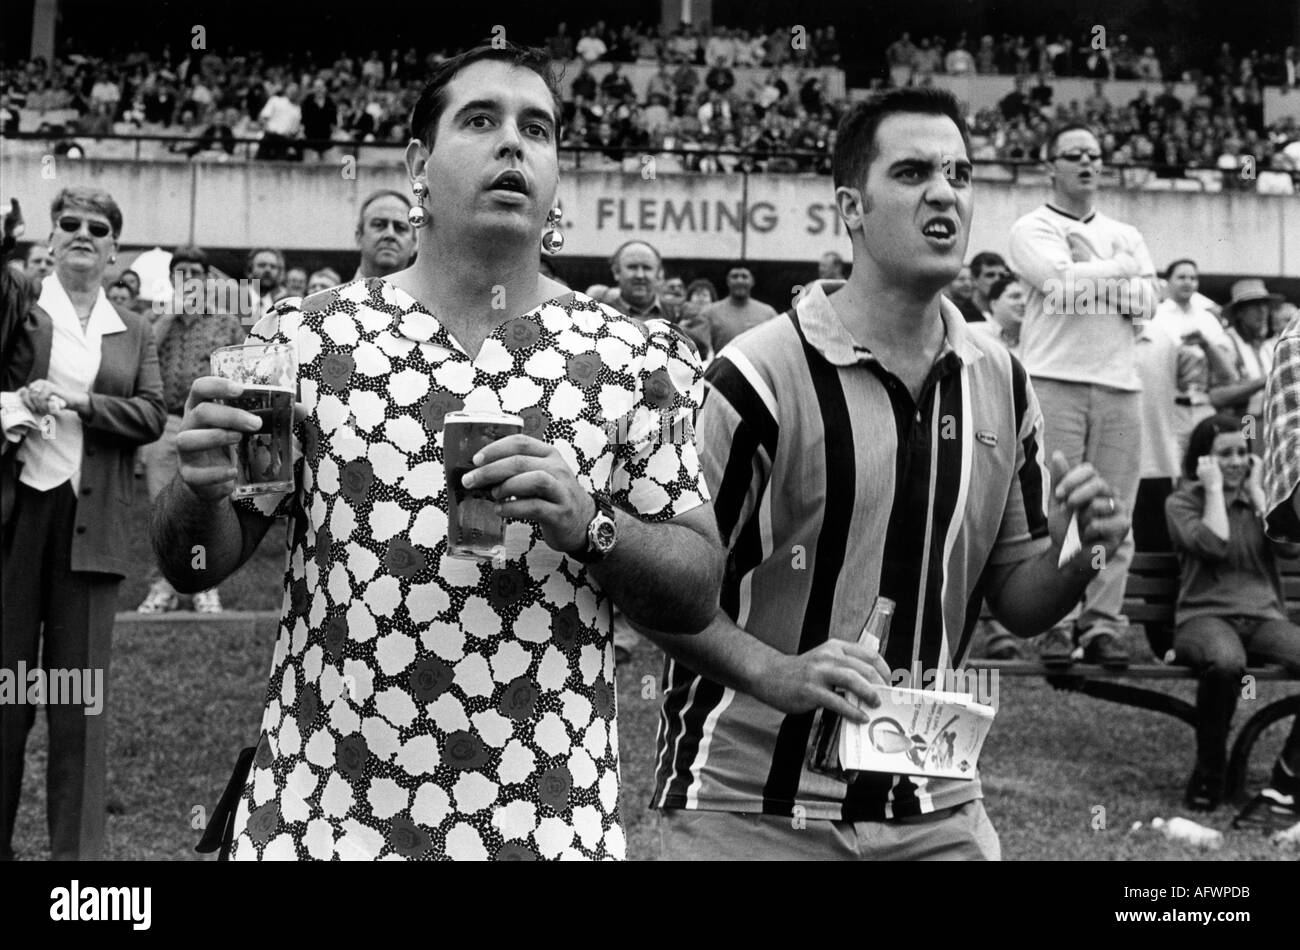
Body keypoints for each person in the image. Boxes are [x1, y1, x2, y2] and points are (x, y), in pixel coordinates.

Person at [148, 42, 723, 861]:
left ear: (559, 174)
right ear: (419, 163)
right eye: (480, 120)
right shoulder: (302, 339)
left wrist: (592, 522)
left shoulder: (644, 361)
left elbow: (697, 589)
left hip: (544, 822)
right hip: (321, 824)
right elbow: (197, 563)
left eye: (538, 129)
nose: (512, 144)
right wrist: (198, 491)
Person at [645, 87, 1127, 861]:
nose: (945, 192)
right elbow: (662, 589)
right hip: (748, 805)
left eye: (960, 174)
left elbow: (1019, 599)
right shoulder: (755, 376)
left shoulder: (1002, 379)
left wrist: (1076, 554)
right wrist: (775, 672)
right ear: (852, 207)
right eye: (911, 173)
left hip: (932, 794)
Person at [1, 187, 166, 860]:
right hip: (16, 518)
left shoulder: (133, 327)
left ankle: (76, 861)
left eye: (97, 227)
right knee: (6, 693)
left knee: (80, 703)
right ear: (50, 236)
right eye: (68, 222)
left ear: (113, 248)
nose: (81, 233)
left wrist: (82, 402)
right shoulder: (17, 308)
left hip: (91, 522)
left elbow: (154, 414)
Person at [1009, 123, 1159, 667]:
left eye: (1094, 154)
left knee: (1115, 510)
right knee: (1062, 509)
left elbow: (1149, 304)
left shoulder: (1125, 229)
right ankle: (1059, 622)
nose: (1087, 162)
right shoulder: (1032, 227)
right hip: (1054, 379)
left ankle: (1102, 624)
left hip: (1121, 384)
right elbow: (1059, 287)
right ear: (1051, 165)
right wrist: (1120, 273)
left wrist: (1089, 272)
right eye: (1074, 154)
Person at [1166, 415, 1300, 814]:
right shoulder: (1182, 501)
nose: (1237, 461)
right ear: (1203, 460)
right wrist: (1211, 491)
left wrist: (1262, 497)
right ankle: (1210, 771)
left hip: (1263, 619)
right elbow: (1213, 544)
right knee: (1226, 664)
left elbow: (1291, 549)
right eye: (1225, 453)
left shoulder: (1258, 499)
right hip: (1203, 619)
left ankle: (1286, 778)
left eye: (1243, 452)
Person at [136, 244, 244, 615]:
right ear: (171, 278)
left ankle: (205, 584)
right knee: (162, 510)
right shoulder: (153, 319)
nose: (189, 279)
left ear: (205, 277)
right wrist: (171, 315)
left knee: (207, 508)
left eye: (195, 272)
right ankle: (164, 586)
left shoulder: (225, 320)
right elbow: (142, 353)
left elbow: (238, 370)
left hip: (209, 422)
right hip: (164, 424)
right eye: (181, 272)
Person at [1220, 279, 1283, 425]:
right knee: (1250, 443)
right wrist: (1264, 381)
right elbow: (1217, 396)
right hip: (1242, 422)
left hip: (1268, 422)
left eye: (1264, 305)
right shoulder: (1226, 343)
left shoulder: (1269, 345)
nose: (1262, 311)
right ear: (1240, 312)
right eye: (1254, 306)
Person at [699, 264, 778, 354]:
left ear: (752, 281)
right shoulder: (710, 313)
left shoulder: (768, 314)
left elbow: (776, 348)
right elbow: (703, 350)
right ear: (728, 281)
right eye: (735, 276)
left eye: (744, 277)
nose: (739, 281)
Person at [604, 240, 677, 322]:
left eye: (647, 268)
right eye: (632, 267)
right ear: (616, 272)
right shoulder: (601, 316)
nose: (640, 275)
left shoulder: (676, 315)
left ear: (659, 273)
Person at [353, 189, 416, 280]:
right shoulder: (331, 294)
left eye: (400, 228)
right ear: (358, 237)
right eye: (379, 225)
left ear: (414, 244)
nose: (390, 234)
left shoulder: (426, 295)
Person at [968, 273, 1025, 354]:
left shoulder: (1038, 340)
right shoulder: (972, 333)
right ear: (994, 304)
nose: (1024, 303)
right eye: (1015, 296)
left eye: (1028, 299)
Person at [245, 247, 285, 322]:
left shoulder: (283, 306)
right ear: (249, 271)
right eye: (262, 265)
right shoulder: (232, 300)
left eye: (273, 266)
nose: (268, 270)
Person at [967, 250, 1007, 320]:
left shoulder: (1008, 314)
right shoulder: (959, 316)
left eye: (1002, 276)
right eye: (990, 275)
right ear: (973, 279)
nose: (997, 280)